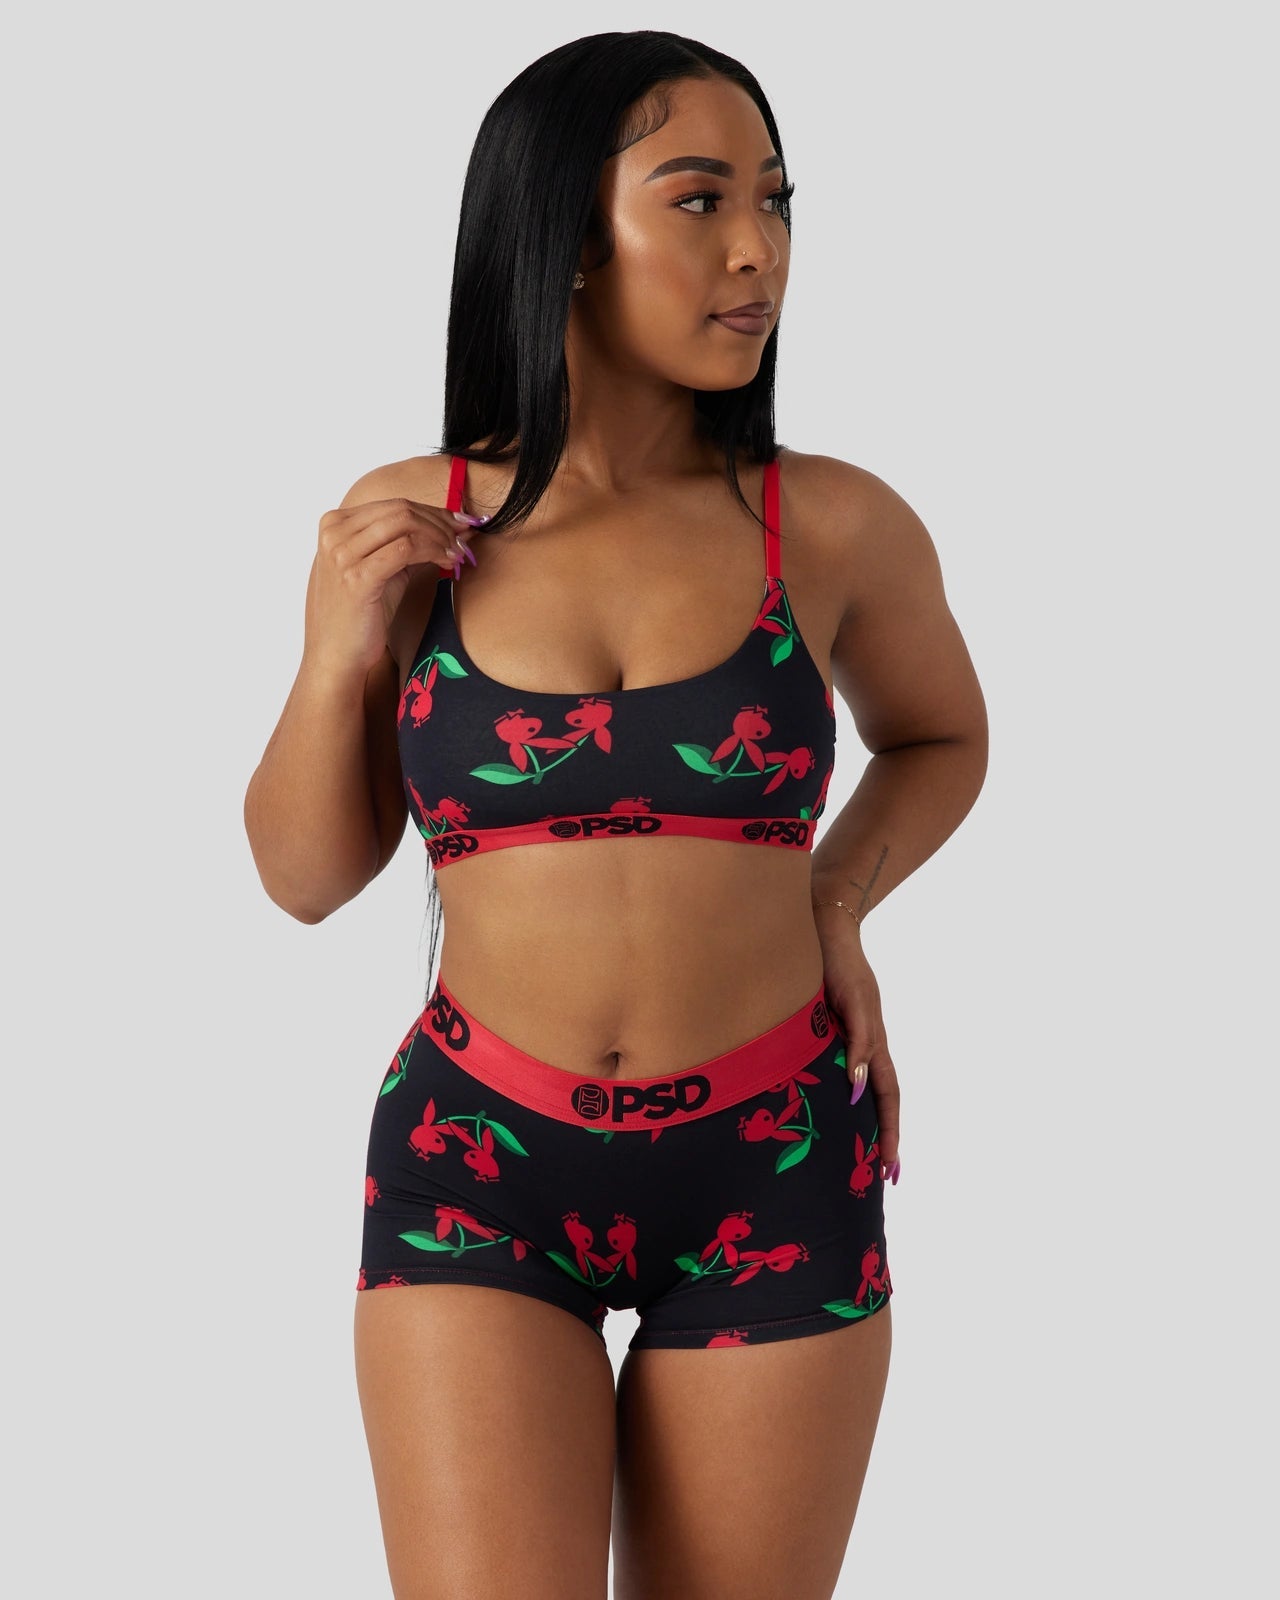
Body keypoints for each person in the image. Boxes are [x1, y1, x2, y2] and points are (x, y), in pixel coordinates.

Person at [244, 29, 987, 1600]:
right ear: (567, 238)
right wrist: (335, 653)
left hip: (775, 1154)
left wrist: (838, 898)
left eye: (777, 202)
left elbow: (941, 737)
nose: (758, 251)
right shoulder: (416, 520)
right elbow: (306, 878)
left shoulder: (831, 523)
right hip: (479, 1163)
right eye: (701, 201)